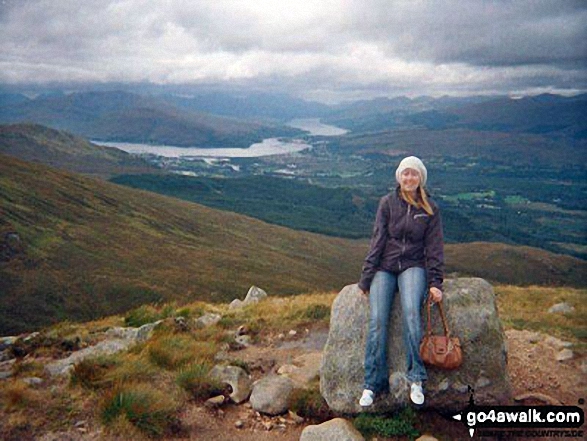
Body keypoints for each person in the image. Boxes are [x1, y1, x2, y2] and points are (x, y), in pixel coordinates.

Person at [358, 156, 444, 407]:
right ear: (399, 177)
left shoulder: (430, 209)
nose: (409, 178)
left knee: (411, 314)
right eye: (405, 174)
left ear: (420, 179)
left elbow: (435, 248)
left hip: (413, 267)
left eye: (414, 174)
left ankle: (416, 378)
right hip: (385, 267)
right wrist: (366, 278)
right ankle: (372, 383)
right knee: (377, 321)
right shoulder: (387, 203)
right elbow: (377, 241)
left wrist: (436, 282)